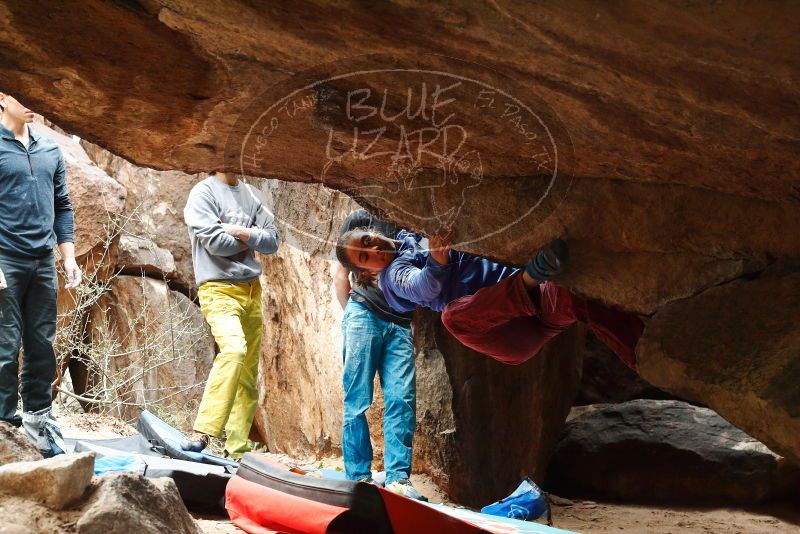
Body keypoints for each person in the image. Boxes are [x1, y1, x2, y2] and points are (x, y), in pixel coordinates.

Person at [336, 228, 643, 370]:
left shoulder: (411, 235)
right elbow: (422, 287)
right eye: (366, 255)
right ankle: (530, 278)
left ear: (372, 231)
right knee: (452, 318)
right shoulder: (393, 277)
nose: (375, 249)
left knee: (575, 296)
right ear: (366, 270)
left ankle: (642, 355)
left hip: (537, 303)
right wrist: (436, 263)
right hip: (509, 332)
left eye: (368, 240)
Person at [0, 92, 81, 456]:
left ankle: (36, 422)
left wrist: (69, 258)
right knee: (5, 344)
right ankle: (3, 426)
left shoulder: (50, 150)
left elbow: (62, 206)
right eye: (24, 95)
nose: (35, 102)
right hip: (5, 260)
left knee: (41, 343)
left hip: (42, 261)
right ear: (2, 98)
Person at [182, 171, 280, 459]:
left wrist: (239, 232)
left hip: (252, 289)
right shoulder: (203, 193)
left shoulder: (253, 195)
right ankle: (203, 431)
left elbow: (273, 241)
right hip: (218, 287)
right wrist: (254, 237)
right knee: (234, 350)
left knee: (248, 374)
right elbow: (217, 245)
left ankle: (236, 449)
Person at [333, 209, 424, 500]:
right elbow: (340, 275)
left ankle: (398, 478)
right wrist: (352, 316)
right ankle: (359, 477)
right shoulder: (358, 220)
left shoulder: (408, 219)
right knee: (357, 398)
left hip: (400, 323)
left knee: (401, 398)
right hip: (363, 314)